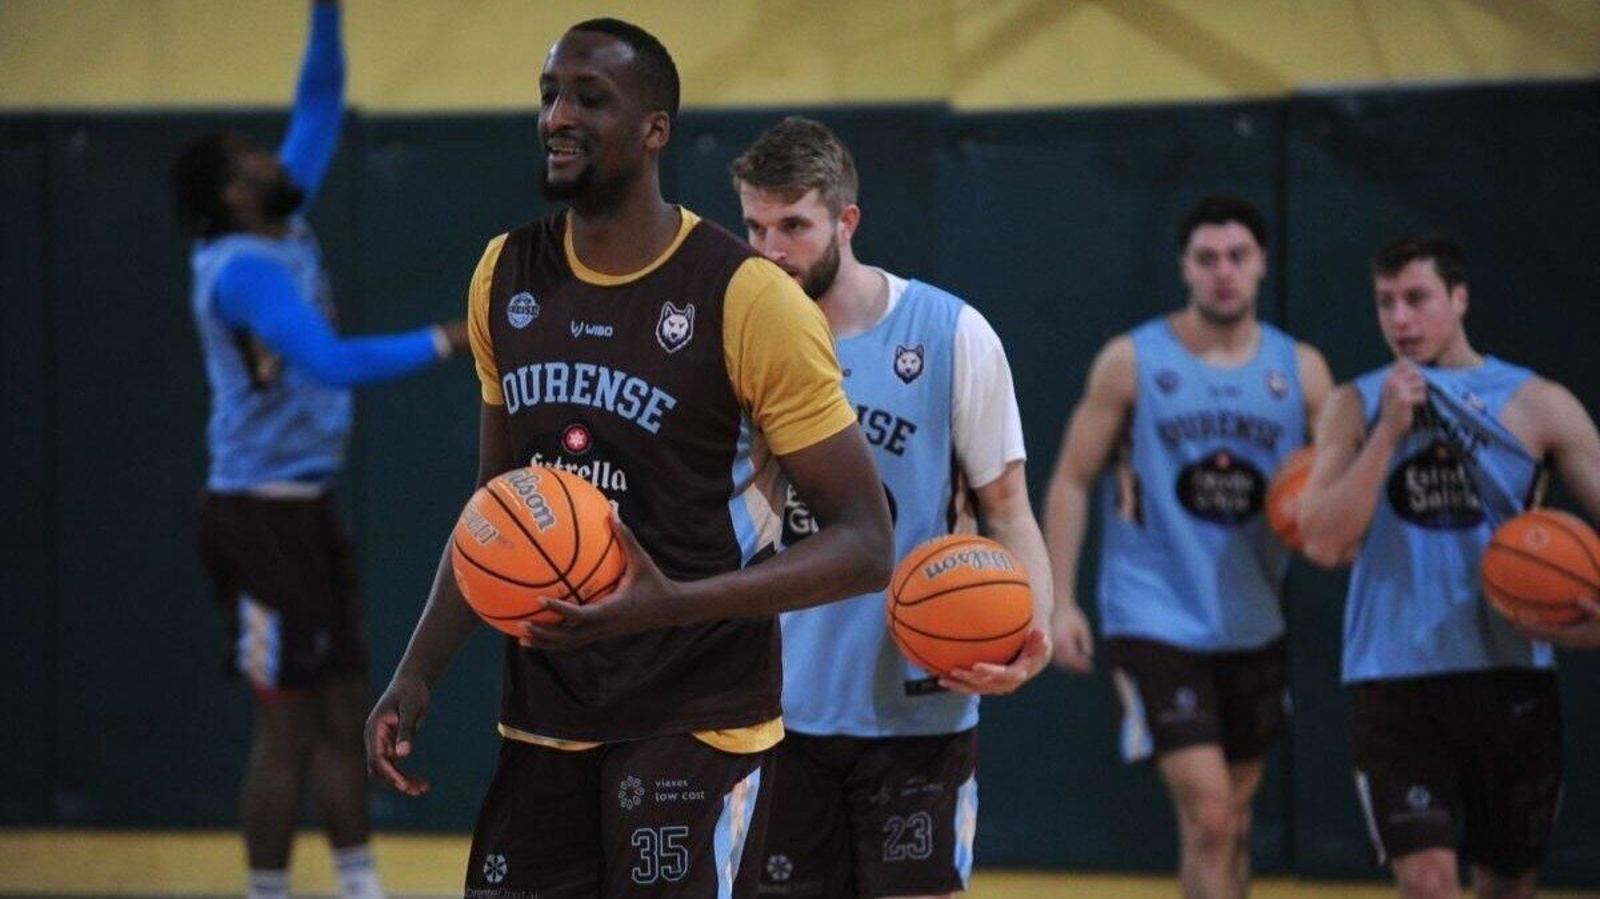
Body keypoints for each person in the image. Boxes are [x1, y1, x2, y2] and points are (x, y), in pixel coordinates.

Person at [363, 20, 893, 898]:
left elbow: (867, 542)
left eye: (588, 98)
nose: (557, 116)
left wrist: (673, 604)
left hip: (699, 716)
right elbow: (493, 508)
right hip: (544, 713)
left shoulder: (748, 298)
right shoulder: (505, 274)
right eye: (548, 95)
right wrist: (417, 672)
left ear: (656, 129)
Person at [171, 3, 470, 898]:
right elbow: (333, 364)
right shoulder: (242, 269)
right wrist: (452, 339)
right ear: (232, 192)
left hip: (307, 511)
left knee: (348, 714)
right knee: (288, 728)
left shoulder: (279, 220)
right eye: (255, 158)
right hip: (255, 518)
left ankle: (359, 888)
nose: (278, 156)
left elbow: (322, 96)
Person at [729, 116, 1053, 898]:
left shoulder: (951, 334)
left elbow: (1007, 505)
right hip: (773, 711)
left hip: (917, 704)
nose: (771, 249)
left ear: (847, 221)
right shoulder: (734, 340)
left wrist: (1028, 631)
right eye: (755, 227)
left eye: (795, 226)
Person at [1044, 196, 1333, 898]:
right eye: (1207, 258)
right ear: (1185, 267)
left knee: (1230, 821)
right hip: (1153, 614)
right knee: (1209, 816)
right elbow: (1072, 481)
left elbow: (1338, 493)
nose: (1223, 272)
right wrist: (1059, 602)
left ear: (1262, 263)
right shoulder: (1132, 361)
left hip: (1251, 617)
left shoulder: (1303, 372)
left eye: (1237, 256)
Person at [1298, 235, 1600, 899]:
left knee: (1508, 884)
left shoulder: (1539, 402)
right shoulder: (1356, 403)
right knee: (1430, 884)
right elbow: (1321, 541)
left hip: (1511, 676)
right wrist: (1387, 434)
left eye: (1417, 299)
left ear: (1458, 299)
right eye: (1386, 303)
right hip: (1396, 681)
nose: (1401, 319)